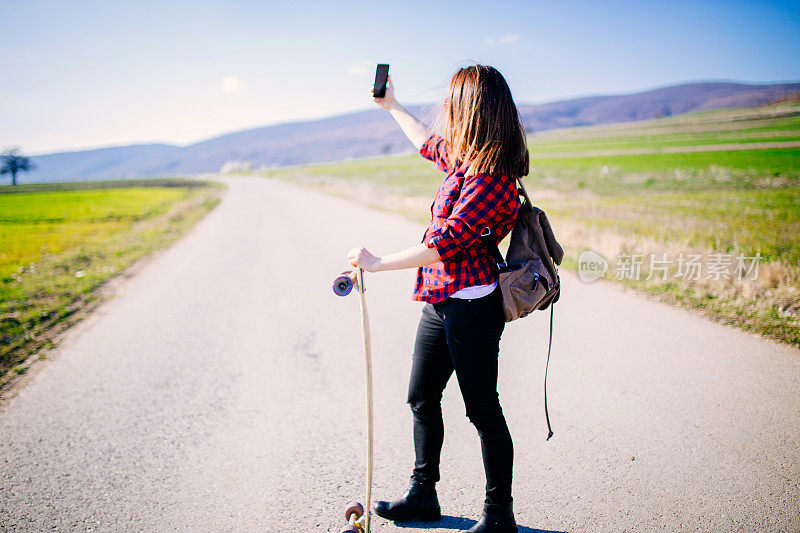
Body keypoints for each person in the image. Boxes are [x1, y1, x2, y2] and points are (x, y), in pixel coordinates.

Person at [346, 64, 528, 533]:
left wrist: (378, 262)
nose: (446, 109)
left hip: (473, 307)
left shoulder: (493, 179)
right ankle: (423, 496)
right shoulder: (467, 161)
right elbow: (426, 142)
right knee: (421, 397)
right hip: (441, 300)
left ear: (474, 110)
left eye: (453, 102)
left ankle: (498, 517)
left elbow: (442, 245)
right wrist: (392, 106)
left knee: (482, 411)